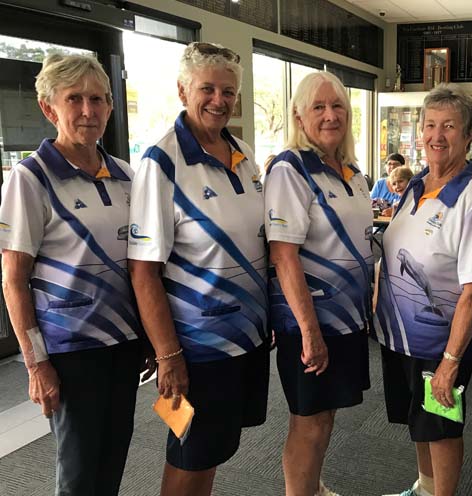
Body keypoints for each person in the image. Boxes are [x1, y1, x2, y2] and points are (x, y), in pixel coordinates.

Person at [128, 42, 270, 496]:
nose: (218, 100)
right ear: (182, 91)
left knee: (214, 449)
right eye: (207, 89)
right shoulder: (161, 162)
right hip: (196, 348)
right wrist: (168, 356)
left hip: (245, 339)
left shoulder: (242, 153)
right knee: (189, 452)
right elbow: (143, 271)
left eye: (228, 92)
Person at [0, 54, 143, 495]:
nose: (88, 110)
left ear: (110, 107)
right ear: (49, 108)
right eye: (74, 99)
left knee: (113, 458)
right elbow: (13, 279)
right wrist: (36, 363)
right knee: (80, 473)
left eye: (97, 99)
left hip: (125, 345)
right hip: (71, 352)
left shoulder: (126, 175)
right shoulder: (30, 178)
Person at [374, 84, 472, 496]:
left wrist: (450, 361)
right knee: (420, 422)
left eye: (449, 126)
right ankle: (425, 488)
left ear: (468, 135)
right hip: (402, 337)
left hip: (441, 343)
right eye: (430, 125)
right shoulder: (415, 185)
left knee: (442, 427)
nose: (436, 135)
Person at [265, 71, 373, 496]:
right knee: (308, 421)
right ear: (299, 116)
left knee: (326, 415)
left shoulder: (353, 173)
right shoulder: (290, 170)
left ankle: (312, 487)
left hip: (346, 321)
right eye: (319, 107)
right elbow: (283, 255)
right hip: (309, 324)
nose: (331, 115)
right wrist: (310, 332)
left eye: (338, 106)